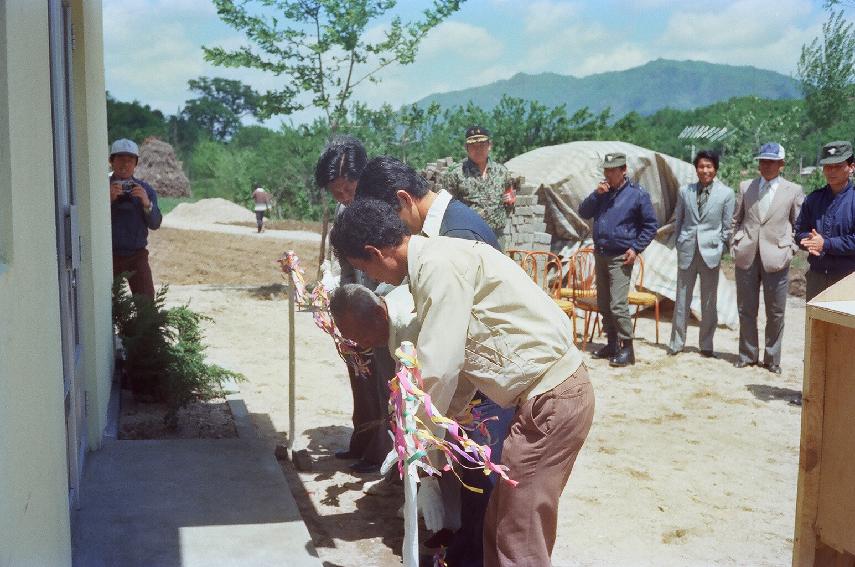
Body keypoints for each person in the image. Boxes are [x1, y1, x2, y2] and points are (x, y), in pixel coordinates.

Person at [329, 199, 595, 567]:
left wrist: (418, 442)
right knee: (499, 520)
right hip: (542, 398)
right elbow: (464, 373)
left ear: (375, 253)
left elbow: (441, 363)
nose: (373, 281)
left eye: (364, 268)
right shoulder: (432, 263)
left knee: (518, 533)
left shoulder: (437, 266)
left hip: (552, 398)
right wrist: (437, 439)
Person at [355, 155, 513, 566]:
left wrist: (422, 429)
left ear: (403, 199)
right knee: (472, 486)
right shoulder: (442, 229)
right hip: (473, 377)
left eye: (389, 224)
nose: (393, 237)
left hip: (484, 385)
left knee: (482, 486)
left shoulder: (456, 234)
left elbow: (448, 344)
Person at [314, 135, 391, 473]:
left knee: (385, 383)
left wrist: (376, 306)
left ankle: (383, 454)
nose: (344, 196)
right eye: (337, 192)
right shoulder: (344, 211)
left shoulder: (383, 205)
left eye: (349, 188)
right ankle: (362, 442)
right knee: (360, 376)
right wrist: (345, 308)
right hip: (357, 312)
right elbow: (345, 265)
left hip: (384, 308)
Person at [578, 151, 658, 366]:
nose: (608, 174)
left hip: (621, 256)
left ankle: (627, 349)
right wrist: (596, 195)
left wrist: (636, 248)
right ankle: (612, 344)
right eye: (606, 170)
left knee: (618, 304)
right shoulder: (602, 192)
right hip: (601, 253)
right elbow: (583, 212)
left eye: (613, 170)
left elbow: (650, 225)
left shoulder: (637, 194)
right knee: (604, 303)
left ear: (624, 171)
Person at [731, 143, 803, 374]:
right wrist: (735, 243)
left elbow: (800, 225)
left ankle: (772, 358)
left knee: (776, 312)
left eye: (771, 161)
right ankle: (747, 354)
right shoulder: (746, 187)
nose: (765, 165)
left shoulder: (793, 190)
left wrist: (790, 249)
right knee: (746, 309)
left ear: (781, 164)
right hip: (747, 255)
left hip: (777, 258)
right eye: (762, 161)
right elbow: (736, 219)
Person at [667, 150, 735, 358]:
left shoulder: (726, 194)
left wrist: (721, 248)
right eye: (701, 166)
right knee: (681, 299)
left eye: (709, 166)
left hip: (710, 253)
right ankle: (676, 343)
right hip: (687, 250)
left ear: (715, 169)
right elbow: (679, 220)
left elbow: (728, 226)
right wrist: (679, 243)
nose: (705, 170)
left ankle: (706, 345)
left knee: (709, 301)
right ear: (695, 168)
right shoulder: (684, 191)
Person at [795, 141, 855, 301]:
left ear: (851, 167)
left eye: (838, 165)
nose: (832, 171)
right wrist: (809, 240)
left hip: (848, 279)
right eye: (828, 166)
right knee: (815, 325)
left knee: (844, 325)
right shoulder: (814, 199)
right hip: (817, 277)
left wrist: (826, 244)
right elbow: (799, 231)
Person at [439, 126, 515, 240]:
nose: (478, 149)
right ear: (466, 148)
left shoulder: (502, 172)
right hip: (469, 237)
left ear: (489, 146)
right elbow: (447, 208)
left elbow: (509, 202)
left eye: (482, 145)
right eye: (473, 146)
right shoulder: (456, 174)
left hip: (497, 236)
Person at [109, 138, 162, 300]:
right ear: (111, 161)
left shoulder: (145, 189)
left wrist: (146, 203)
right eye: (120, 159)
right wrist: (107, 201)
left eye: (130, 160)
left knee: (146, 304)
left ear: (136, 164)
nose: (125, 164)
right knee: (105, 305)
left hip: (137, 255)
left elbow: (155, 224)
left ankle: (144, 327)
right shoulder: (99, 187)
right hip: (108, 255)